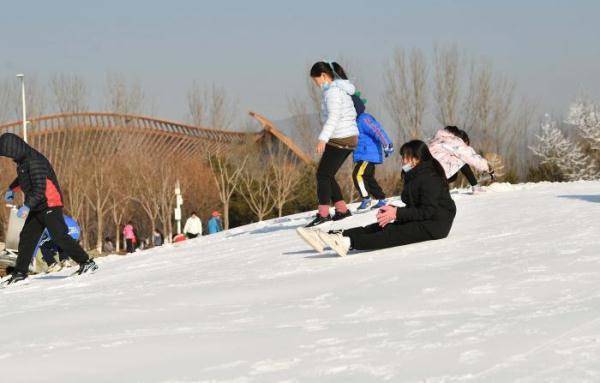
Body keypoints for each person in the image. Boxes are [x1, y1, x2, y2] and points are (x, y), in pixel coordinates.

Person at [297, 140, 456, 257]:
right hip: (425, 219)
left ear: (418, 158)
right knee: (377, 227)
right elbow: (419, 207)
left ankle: (348, 243)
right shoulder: (415, 176)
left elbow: (429, 210)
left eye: (407, 158)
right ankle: (333, 236)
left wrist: (397, 214)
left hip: (435, 225)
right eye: (403, 157)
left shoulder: (430, 177)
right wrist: (393, 211)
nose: (404, 161)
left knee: (392, 234)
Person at [0, 133, 97, 286]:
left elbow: (39, 188)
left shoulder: (34, 161)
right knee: (27, 237)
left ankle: (87, 262)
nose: (7, 156)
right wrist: (12, 189)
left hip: (50, 204)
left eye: (7, 152)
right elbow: (24, 179)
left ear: (13, 149)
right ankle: (20, 272)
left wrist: (27, 206)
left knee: (59, 236)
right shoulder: (23, 162)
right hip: (38, 206)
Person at [306, 61, 359, 227]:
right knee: (327, 174)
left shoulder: (333, 92)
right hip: (346, 137)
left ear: (323, 76)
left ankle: (323, 213)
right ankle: (341, 209)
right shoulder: (339, 90)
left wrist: (323, 138)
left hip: (340, 137)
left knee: (322, 175)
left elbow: (333, 117)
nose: (316, 84)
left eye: (316, 80)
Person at [351, 92, 394, 211]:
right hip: (363, 154)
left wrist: (387, 144)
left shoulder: (364, 119)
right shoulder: (353, 122)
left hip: (368, 154)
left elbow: (377, 131)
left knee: (357, 174)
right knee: (368, 177)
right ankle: (381, 199)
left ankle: (366, 199)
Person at [428, 126, 495, 192]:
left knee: (454, 168)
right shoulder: (453, 141)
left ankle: (435, 187)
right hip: (435, 174)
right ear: (462, 140)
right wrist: (488, 167)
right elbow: (470, 156)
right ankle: (475, 186)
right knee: (461, 160)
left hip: (427, 173)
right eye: (465, 144)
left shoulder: (435, 139)